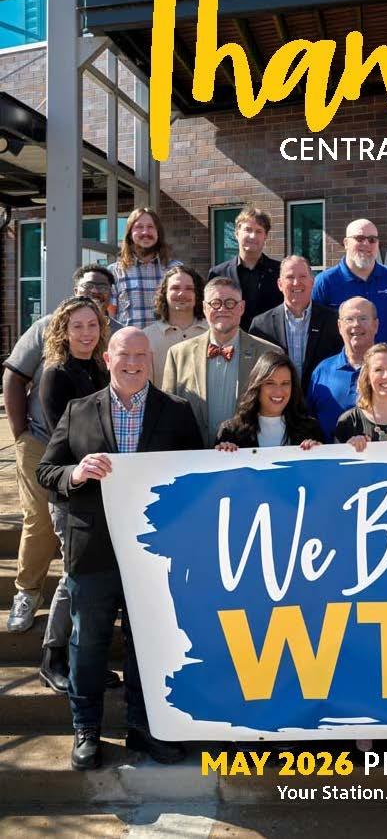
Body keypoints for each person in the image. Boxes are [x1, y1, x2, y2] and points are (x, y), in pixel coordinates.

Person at [37, 328, 202, 770]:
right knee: (87, 644)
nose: (133, 362)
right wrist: (75, 473)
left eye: (141, 355)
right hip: (93, 553)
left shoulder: (177, 412)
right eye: (124, 354)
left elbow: (195, 478)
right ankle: (86, 729)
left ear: (152, 360)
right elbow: (46, 472)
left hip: (154, 556)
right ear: (107, 359)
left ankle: (143, 729)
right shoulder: (78, 411)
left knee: (148, 645)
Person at [2, 264, 123, 634]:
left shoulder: (115, 335)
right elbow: (14, 376)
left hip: (98, 453)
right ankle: (27, 591)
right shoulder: (48, 326)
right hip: (43, 442)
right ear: (75, 289)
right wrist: (20, 433)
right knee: (40, 520)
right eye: (88, 286)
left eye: (103, 287)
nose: (96, 292)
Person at [38, 298, 111, 694]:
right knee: (74, 575)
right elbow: (66, 441)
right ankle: (53, 656)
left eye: (92, 326)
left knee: (93, 578)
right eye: (77, 327)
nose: (86, 333)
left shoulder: (100, 367)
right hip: (71, 494)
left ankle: (86, 659)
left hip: (104, 492)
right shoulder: (57, 375)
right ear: (64, 332)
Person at [162, 277, 273, 446]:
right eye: (215, 303)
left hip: (250, 458)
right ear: (205, 308)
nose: (222, 309)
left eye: (230, 303)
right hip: (193, 458)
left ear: (241, 307)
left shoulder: (268, 353)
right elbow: (168, 415)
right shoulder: (178, 355)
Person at [249, 255, 342, 392]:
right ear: (280, 284)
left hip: (321, 402)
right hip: (277, 403)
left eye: (303, 276)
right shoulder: (261, 325)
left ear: (312, 281)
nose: (296, 282)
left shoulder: (333, 321)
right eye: (290, 277)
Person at [312, 218, 387, 345]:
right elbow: (314, 332)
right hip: (343, 363)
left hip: (384, 363)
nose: (366, 244)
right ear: (346, 243)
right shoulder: (325, 282)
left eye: (372, 239)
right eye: (359, 238)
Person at [215, 350, 324, 448]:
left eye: (285, 383)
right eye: (270, 383)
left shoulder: (311, 429)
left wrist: (319, 452)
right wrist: (223, 453)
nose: (278, 391)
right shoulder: (230, 432)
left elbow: (322, 468)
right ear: (258, 386)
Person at [307, 297, 379, 441]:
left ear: (376, 325)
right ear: (339, 326)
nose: (356, 324)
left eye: (363, 318)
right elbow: (308, 421)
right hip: (330, 460)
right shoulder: (322, 371)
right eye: (349, 319)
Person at [207, 205, 282, 331]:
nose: (253, 236)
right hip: (231, 343)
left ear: (265, 237)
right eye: (248, 230)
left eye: (259, 231)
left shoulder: (279, 272)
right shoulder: (218, 273)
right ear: (236, 233)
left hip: (270, 344)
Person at [108, 208, 181, 328]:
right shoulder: (114, 272)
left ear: (158, 233)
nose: (145, 232)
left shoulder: (175, 270)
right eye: (139, 227)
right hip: (129, 344)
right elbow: (111, 318)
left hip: (166, 344)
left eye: (150, 227)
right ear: (130, 234)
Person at [143, 265, 208, 383]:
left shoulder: (211, 332)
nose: (181, 294)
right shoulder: (147, 337)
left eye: (189, 288)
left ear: (197, 294)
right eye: (175, 288)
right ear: (164, 293)